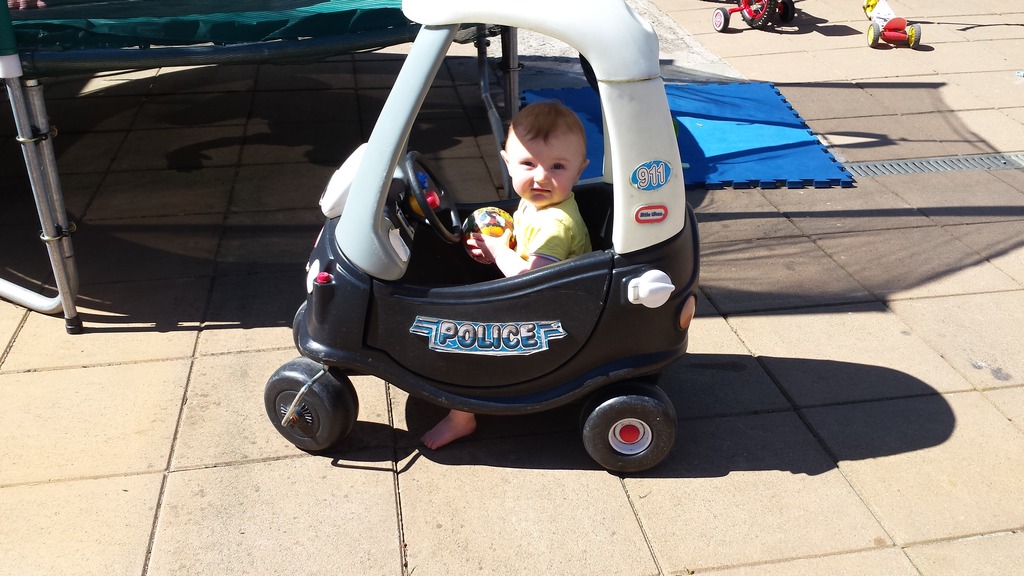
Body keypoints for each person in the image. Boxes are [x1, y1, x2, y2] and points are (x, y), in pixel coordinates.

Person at [420, 100, 592, 449]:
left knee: (460, 339)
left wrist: (501, 252)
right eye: (528, 163)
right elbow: (523, 251)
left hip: (551, 315)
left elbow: (534, 280)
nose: (541, 177)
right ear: (507, 163)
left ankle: (461, 417)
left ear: (580, 171)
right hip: (550, 300)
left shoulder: (555, 223)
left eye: (558, 166)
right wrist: (496, 251)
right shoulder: (541, 203)